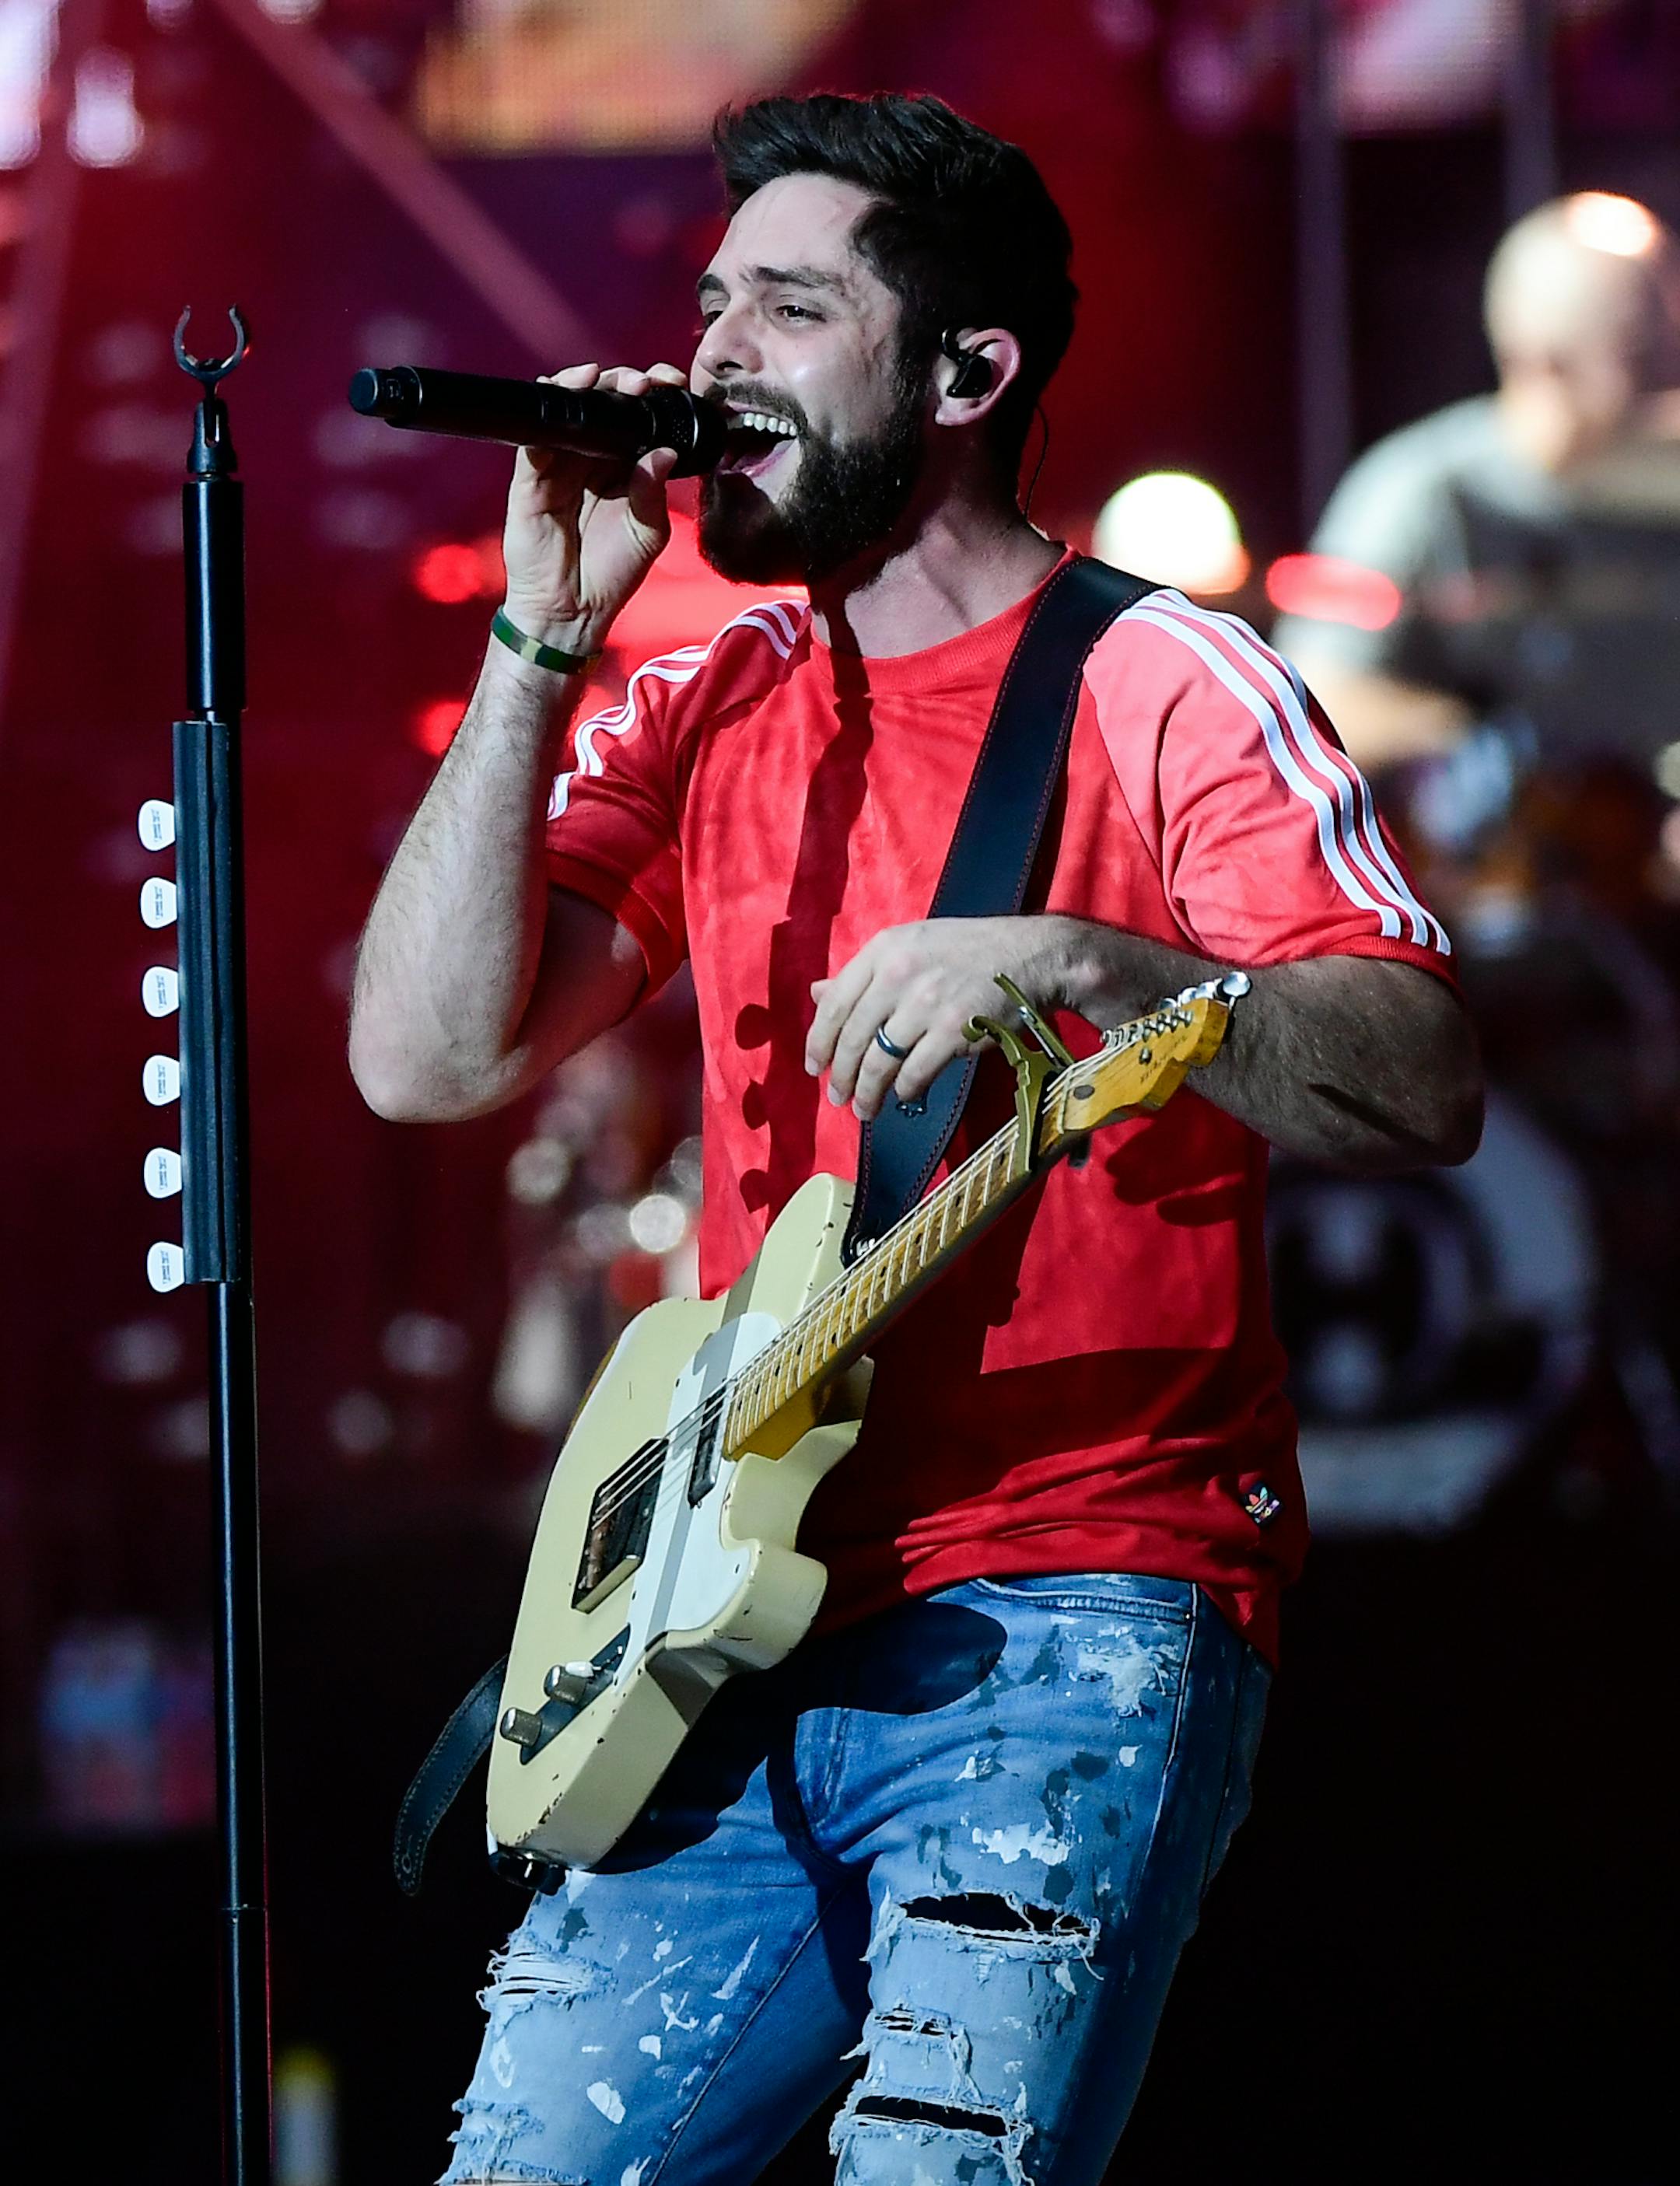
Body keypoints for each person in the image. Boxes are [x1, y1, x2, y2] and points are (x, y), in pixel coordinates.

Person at [349, 91, 1479, 2186]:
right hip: (718, 1629)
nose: (713, 362)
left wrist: (1089, 960)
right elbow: (424, 1061)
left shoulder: (1165, 683)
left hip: (1070, 1600)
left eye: (789, 308)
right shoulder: (708, 694)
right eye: (709, 310)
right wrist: (539, 631)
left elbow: (1418, 1070)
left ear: (966, 375)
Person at [1273, 191, 1680, 779]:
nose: (1666, 382)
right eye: (1641, 353)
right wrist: (1482, 747)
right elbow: (1310, 702)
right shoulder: (1413, 495)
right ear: (1543, 360)